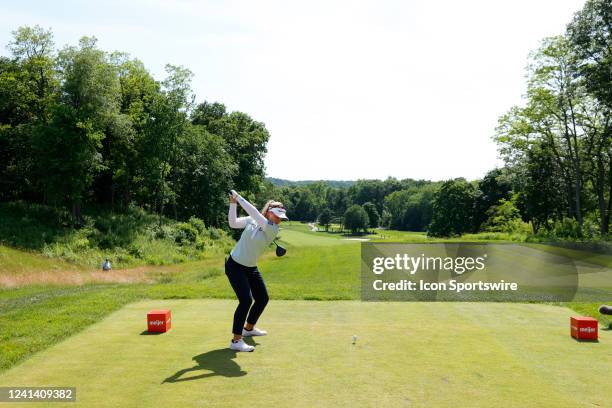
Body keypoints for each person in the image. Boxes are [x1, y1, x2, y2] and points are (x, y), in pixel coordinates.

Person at [225, 189, 288, 352]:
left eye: (282, 218)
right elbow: (233, 223)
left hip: (250, 267)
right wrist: (233, 203)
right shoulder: (252, 221)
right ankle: (236, 340)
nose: (279, 220)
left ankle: (248, 328)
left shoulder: (272, 229)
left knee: (262, 298)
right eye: (277, 216)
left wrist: (239, 197)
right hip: (235, 265)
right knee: (246, 300)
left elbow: (254, 212)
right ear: (269, 212)